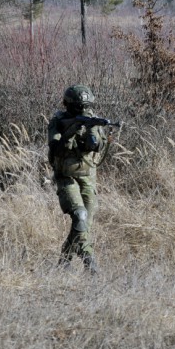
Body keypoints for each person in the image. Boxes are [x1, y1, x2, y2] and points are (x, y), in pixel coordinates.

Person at [47, 85, 111, 273]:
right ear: (68, 105)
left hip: (88, 178)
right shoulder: (59, 121)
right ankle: (89, 262)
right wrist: (73, 129)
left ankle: (64, 262)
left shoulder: (93, 120)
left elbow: (96, 147)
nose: (83, 110)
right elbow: (56, 149)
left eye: (86, 106)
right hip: (66, 177)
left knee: (84, 224)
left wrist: (92, 130)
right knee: (80, 215)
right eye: (79, 106)